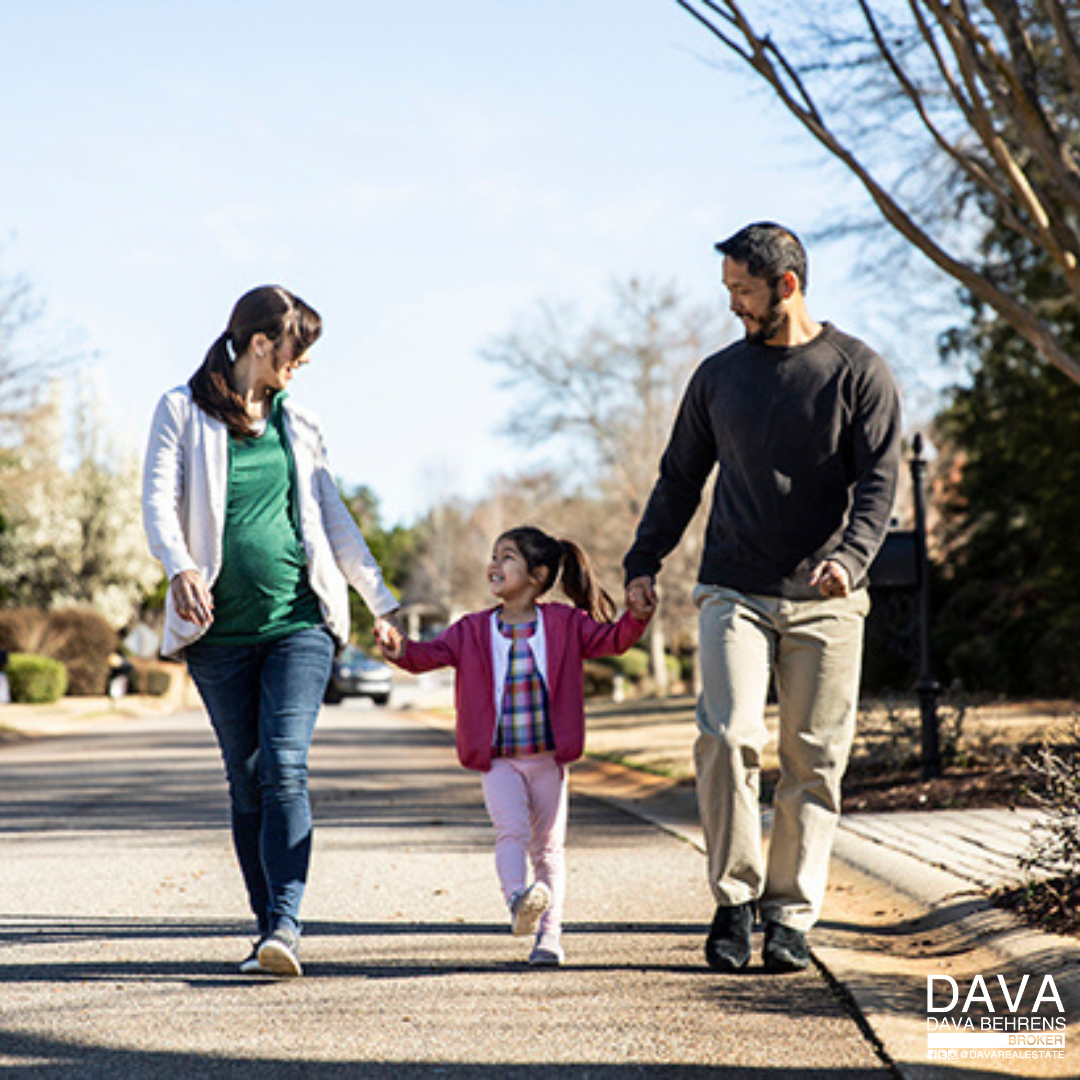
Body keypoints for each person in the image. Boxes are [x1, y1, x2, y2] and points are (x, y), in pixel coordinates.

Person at [623, 223, 901, 974]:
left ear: (786, 285)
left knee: (813, 757)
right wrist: (644, 559)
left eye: (742, 291)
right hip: (734, 589)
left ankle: (790, 913)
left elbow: (879, 485)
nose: (733, 306)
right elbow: (680, 477)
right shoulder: (718, 378)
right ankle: (734, 899)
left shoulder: (857, 372)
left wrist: (850, 558)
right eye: (728, 292)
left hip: (827, 594)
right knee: (727, 734)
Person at [143, 285, 402, 978]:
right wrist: (180, 567)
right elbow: (159, 502)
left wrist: (379, 598)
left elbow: (332, 516)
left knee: (284, 764)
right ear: (262, 343)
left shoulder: (302, 423)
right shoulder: (181, 410)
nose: (303, 363)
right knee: (247, 777)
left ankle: (286, 920)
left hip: (299, 621)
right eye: (298, 349)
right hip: (217, 633)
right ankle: (268, 932)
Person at [378, 526, 655, 966]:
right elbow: (426, 656)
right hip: (500, 762)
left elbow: (614, 640)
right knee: (510, 833)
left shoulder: (565, 623)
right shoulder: (471, 629)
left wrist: (637, 616)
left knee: (548, 850)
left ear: (537, 575)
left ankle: (549, 937)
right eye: (493, 555)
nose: (494, 564)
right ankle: (518, 902)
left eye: (507, 557)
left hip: (548, 760)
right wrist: (398, 649)